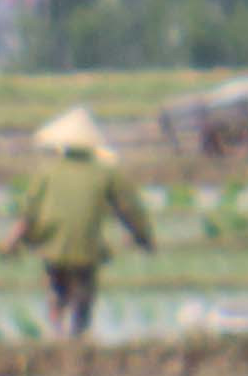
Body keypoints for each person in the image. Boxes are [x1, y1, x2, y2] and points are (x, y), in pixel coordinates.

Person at [10, 108, 152, 341]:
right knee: (83, 290)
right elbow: (128, 210)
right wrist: (143, 237)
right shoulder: (106, 173)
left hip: (52, 241)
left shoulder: (47, 171)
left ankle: (56, 333)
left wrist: (12, 242)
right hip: (86, 244)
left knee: (57, 287)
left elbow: (28, 215)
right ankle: (78, 336)